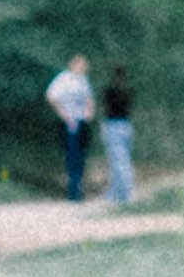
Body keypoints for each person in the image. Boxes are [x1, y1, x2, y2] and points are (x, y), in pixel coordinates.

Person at [44, 51, 94, 202]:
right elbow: (51, 96)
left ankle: (79, 187)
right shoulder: (64, 79)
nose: (83, 68)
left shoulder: (83, 80)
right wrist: (63, 113)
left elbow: (89, 98)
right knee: (73, 155)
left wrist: (90, 112)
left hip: (82, 121)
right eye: (81, 65)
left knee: (81, 155)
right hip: (70, 121)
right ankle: (73, 191)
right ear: (73, 65)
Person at [100, 64, 136, 208]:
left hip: (112, 125)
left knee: (117, 161)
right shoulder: (130, 90)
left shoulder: (109, 91)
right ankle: (117, 192)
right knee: (124, 159)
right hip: (126, 125)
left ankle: (124, 192)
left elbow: (106, 108)